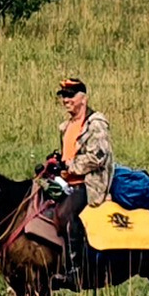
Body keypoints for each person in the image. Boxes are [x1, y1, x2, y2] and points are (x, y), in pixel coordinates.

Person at [45, 76, 115, 273]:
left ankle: (77, 268)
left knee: (68, 214)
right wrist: (56, 163)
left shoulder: (96, 124)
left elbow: (97, 157)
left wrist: (69, 165)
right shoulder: (66, 126)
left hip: (90, 185)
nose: (66, 100)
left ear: (83, 98)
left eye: (70, 95)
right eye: (63, 96)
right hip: (67, 182)